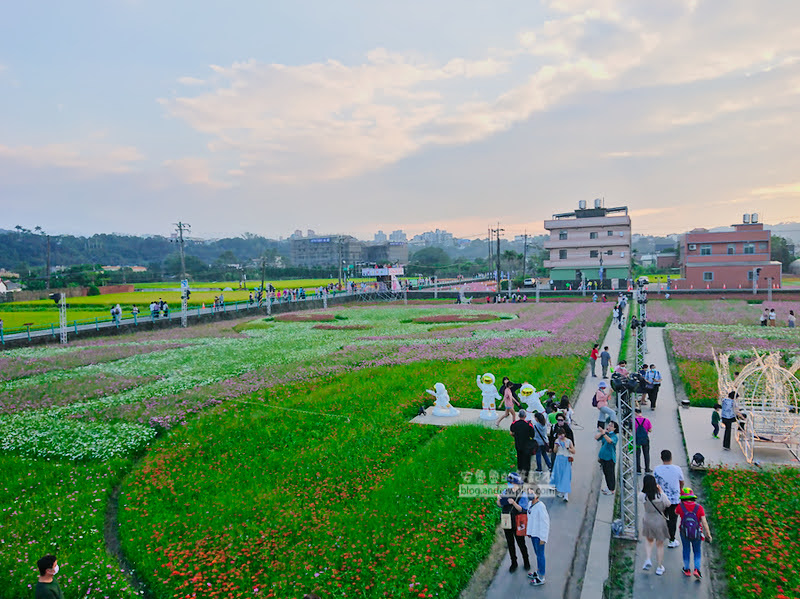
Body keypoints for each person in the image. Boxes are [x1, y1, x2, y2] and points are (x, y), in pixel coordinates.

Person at [675, 487, 712, 579]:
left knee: (686, 549)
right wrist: (708, 534)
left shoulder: (680, 506)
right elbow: (704, 522)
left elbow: (676, 513)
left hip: (684, 532)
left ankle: (687, 569)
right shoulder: (699, 507)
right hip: (697, 533)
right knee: (697, 551)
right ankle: (697, 570)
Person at [497, 473, 530, 573]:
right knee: (510, 543)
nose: (509, 484)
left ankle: (526, 561)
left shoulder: (522, 494)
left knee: (521, 543)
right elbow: (500, 505)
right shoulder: (505, 491)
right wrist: (498, 500)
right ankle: (513, 563)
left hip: (517, 522)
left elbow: (522, 509)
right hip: (507, 521)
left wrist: (514, 503)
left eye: (510, 482)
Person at [653, 449, 685, 548]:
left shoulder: (657, 469)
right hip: (674, 499)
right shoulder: (677, 469)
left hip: (662, 498)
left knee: (662, 517)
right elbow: (682, 481)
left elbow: (655, 484)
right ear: (671, 457)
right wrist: (679, 489)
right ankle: (672, 540)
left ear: (661, 458)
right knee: (673, 519)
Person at [640, 474, 670, 576]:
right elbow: (668, 504)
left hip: (648, 519)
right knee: (660, 545)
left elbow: (640, 497)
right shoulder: (661, 496)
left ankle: (648, 558)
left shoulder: (643, 496)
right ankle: (659, 567)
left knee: (649, 541)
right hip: (659, 521)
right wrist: (660, 491)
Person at [525, 488, 550, 586]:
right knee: (537, 554)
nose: (530, 494)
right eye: (529, 492)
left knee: (540, 555)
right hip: (533, 534)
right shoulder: (530, 504)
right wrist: (529, 532)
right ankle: (538, 571)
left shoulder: (541, 507)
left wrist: (543, 538)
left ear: (537, 495)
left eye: (532, 492)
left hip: (539, 536)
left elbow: (545, 523)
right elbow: (530, 518)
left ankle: (541, 577)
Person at [550, 426, 575, 502]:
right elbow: (554, 451)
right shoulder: (557, 441)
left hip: (566, 460)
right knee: (559, 475)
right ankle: (561, 491)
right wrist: (556, 446)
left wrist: (568, 448)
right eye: (559, 434)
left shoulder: (569, 441)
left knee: (566, 476)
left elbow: (573, 451)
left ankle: (566, 494)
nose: (561, 436)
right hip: (559, 459)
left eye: (562, 434)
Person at [510, 409, 535, 478]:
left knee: (519, 458)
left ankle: (520, 472)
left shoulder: (514, 423)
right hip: (527, 445)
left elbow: (511, 432)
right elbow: (532, 435)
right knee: (526, 460)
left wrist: (516, 436)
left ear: (518, 415)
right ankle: (526, 475)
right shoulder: (529, 425)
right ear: (525, 416)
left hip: (518, 444)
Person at [596, 421, 618, 495]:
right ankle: (608, 487)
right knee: (606, 473)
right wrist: (602, 432)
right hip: (603, 457)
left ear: (614, 428)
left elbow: (610, 441)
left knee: (610, 474)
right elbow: (596, 438)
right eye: (608, 425)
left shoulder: (614, 436)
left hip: (610, 458)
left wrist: (604, 433)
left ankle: (611, 489)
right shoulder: (605, 434)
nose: (609, 427)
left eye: (611, 426)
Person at [634, 408, 652, 474]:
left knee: (637, 454)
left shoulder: (633, 420)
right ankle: (647, 469)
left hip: (637, 439)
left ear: (635, 413)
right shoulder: (646, 420)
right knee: (646, 454)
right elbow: (650, 430)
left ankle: (638, 470)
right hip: (645, 439)